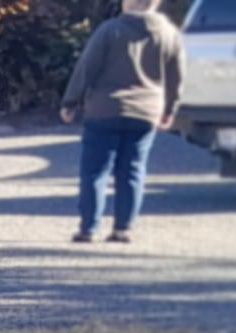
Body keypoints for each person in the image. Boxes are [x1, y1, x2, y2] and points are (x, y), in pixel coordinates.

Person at [61, 0, 186, 244]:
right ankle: (123, 228)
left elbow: (87, 68)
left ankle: (89, 228)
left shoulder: (110, 29)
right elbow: (176, 77)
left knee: (95, 172)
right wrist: (170, 109)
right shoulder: (170, 34)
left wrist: (71, 101)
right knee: (132, 171)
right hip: (146, 111)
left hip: (105, 109)